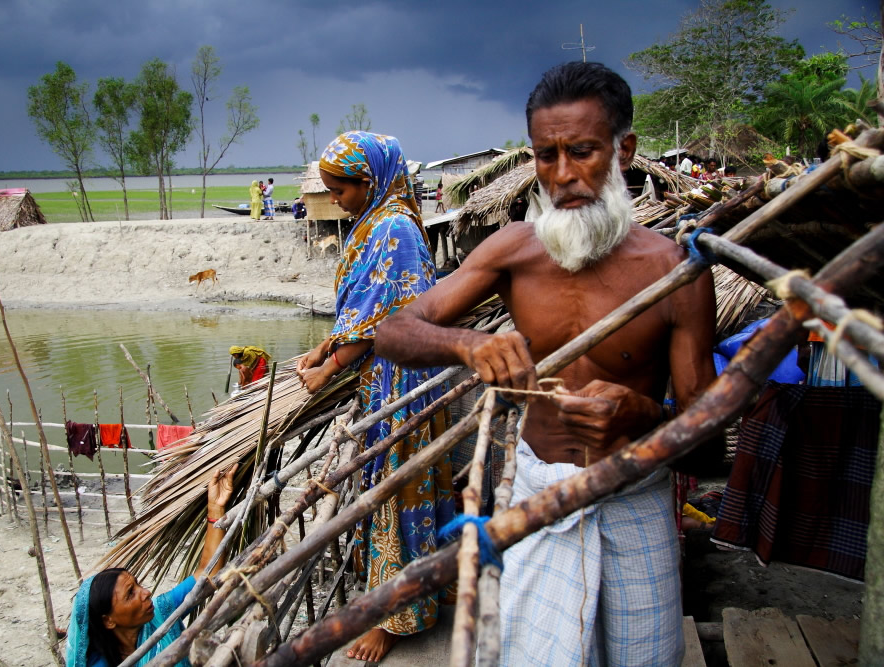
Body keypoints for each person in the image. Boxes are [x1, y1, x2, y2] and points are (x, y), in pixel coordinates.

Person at [376, 62, 719, 665]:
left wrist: (642, 413)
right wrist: (469, 346)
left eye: (582, 152)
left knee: (645, 655)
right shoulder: (515, 251)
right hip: (537, 490)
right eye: (545, 155)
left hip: (633, 496)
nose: (563, 175)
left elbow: (710, 442)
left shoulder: (673, 272)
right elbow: (393, 331)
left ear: (624, 150)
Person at [296, 131, 454, 662]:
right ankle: (406, 595)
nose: (334, 199)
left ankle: (394, 619)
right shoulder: (375, 221)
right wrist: (323, 348)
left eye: (338, 190)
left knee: (397, 483)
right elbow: (358, 310)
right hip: (381, 374)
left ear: (370, 181)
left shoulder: (395, 229)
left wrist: (331, 367)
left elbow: (386, 318)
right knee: (385, 481)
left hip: (401, 378)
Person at [65, 465, 237, 667]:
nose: (145, 593)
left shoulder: (161, 612)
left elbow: (207, 573)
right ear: (108, 621)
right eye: (130, 594)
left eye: (137, 585)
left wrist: (215, 508)